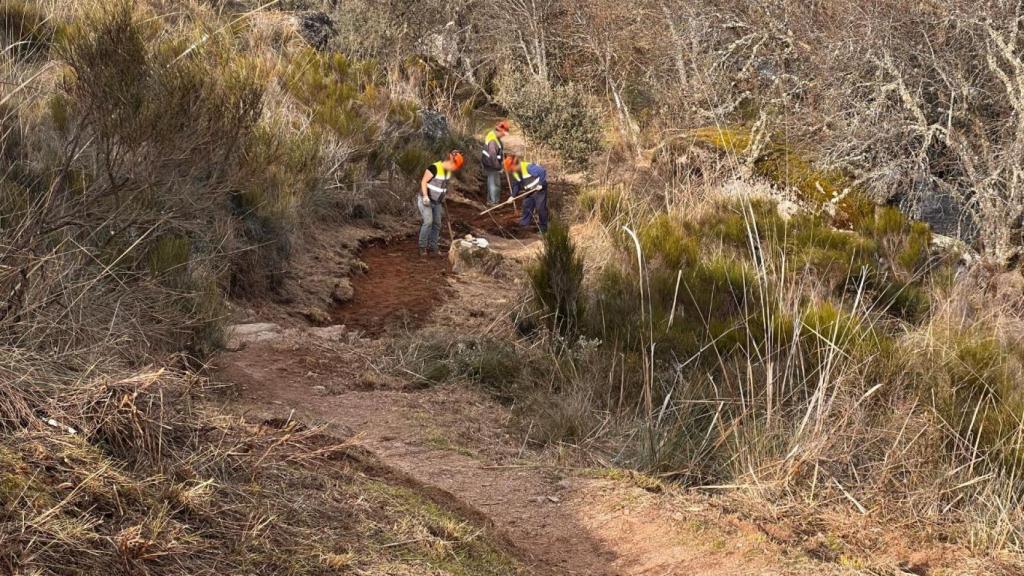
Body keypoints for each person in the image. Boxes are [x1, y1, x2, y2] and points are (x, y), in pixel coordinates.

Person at [418, 150, 464, 256]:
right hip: (426, 199)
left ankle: (433, 246)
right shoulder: (434, 168)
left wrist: (443, 196)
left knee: (437, 223)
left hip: (437, 201)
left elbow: (442, 185)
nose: (455, 169)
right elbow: (424, 181)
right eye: (455, 166)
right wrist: (425, 196)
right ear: (451, 161)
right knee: (428, 222)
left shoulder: (448, 171)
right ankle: (422, 247)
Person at [503, 154, 549, 233]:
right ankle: (524, 224)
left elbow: (542, 171)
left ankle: (543, 228)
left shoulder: (528, 167)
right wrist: (512, 196)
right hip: (529, 190)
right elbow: (516, 185)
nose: (511, 170)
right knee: (527, 204)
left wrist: (540, 184)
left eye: (511, 168)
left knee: (540, 208)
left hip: (539, 189)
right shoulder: (515, 172)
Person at [481, 120, 510, 205]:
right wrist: (499, 168)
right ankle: (494, 202)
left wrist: (504, 156)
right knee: (495, 184)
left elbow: (498, 151)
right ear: (500, 131)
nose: (504, 135)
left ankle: (490, 201)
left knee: (491, 182)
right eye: (504, 134)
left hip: (490, 163)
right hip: (491, 165)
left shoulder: (495, 137)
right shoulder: (493, 141)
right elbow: (493, 157)